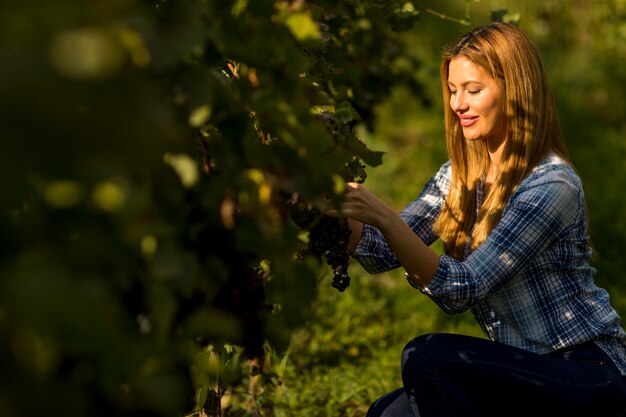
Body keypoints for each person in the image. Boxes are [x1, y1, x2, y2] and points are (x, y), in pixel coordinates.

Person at [330, 22, 626, 416]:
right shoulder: (459, 174)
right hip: (523, 368)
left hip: (588, 371)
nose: (458, 104)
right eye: (453, 91)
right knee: (389, 413)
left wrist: (384, 215)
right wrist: (325, 205)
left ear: (514, 90)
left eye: (473, 90)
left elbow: (463, 288)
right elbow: (381, 251)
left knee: (429, 358)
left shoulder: (551, 183)